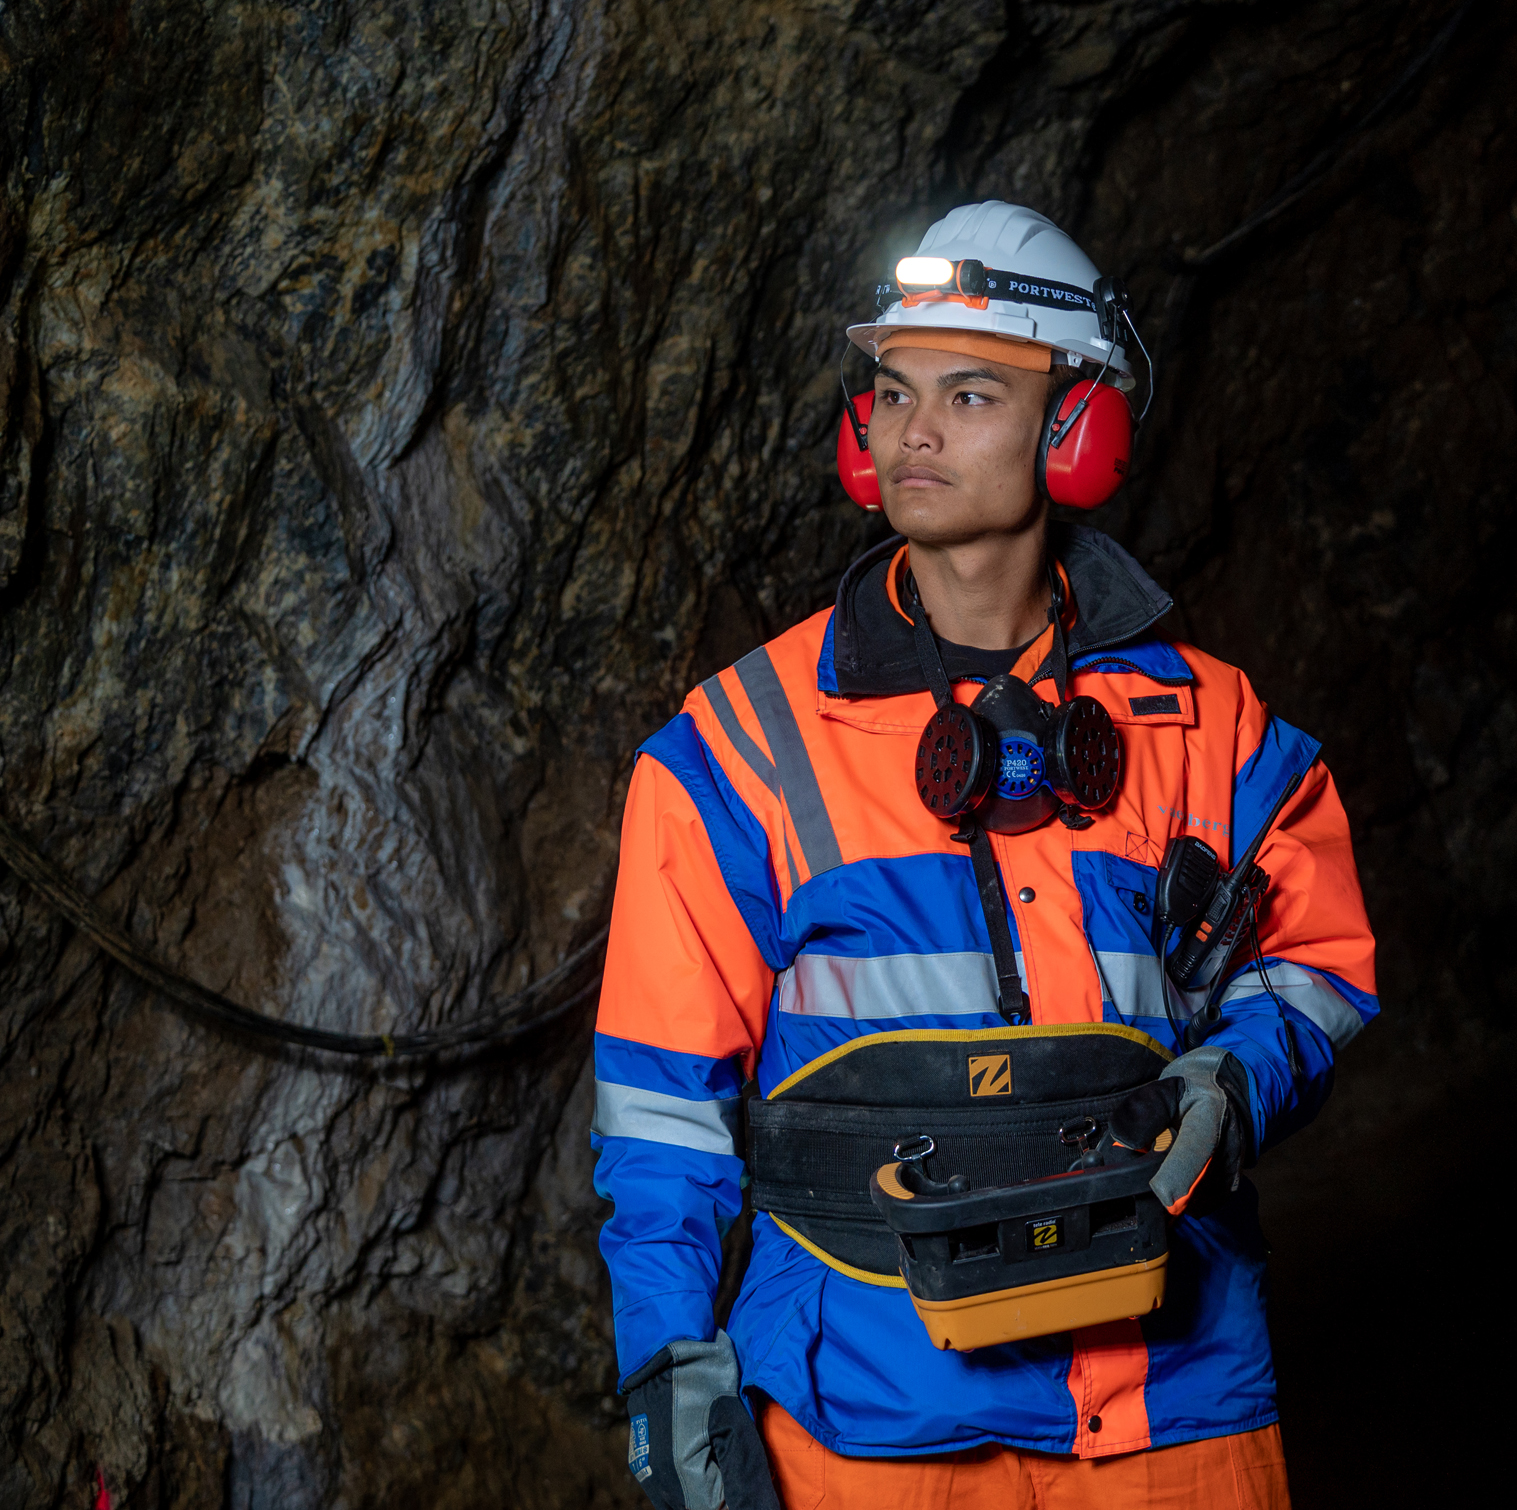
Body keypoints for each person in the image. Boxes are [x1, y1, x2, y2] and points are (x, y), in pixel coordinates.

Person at [590, 200, 1377, 1510]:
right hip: (871, 1419)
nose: (912, 430)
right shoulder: (735, 753)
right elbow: (661, 1115)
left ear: (1075, 430)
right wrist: (673, 1375)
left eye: (969, 394)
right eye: (893, 392)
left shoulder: (1213, 726)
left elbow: (1319, 962)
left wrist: (1235, 1081)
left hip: (1168, 1407)